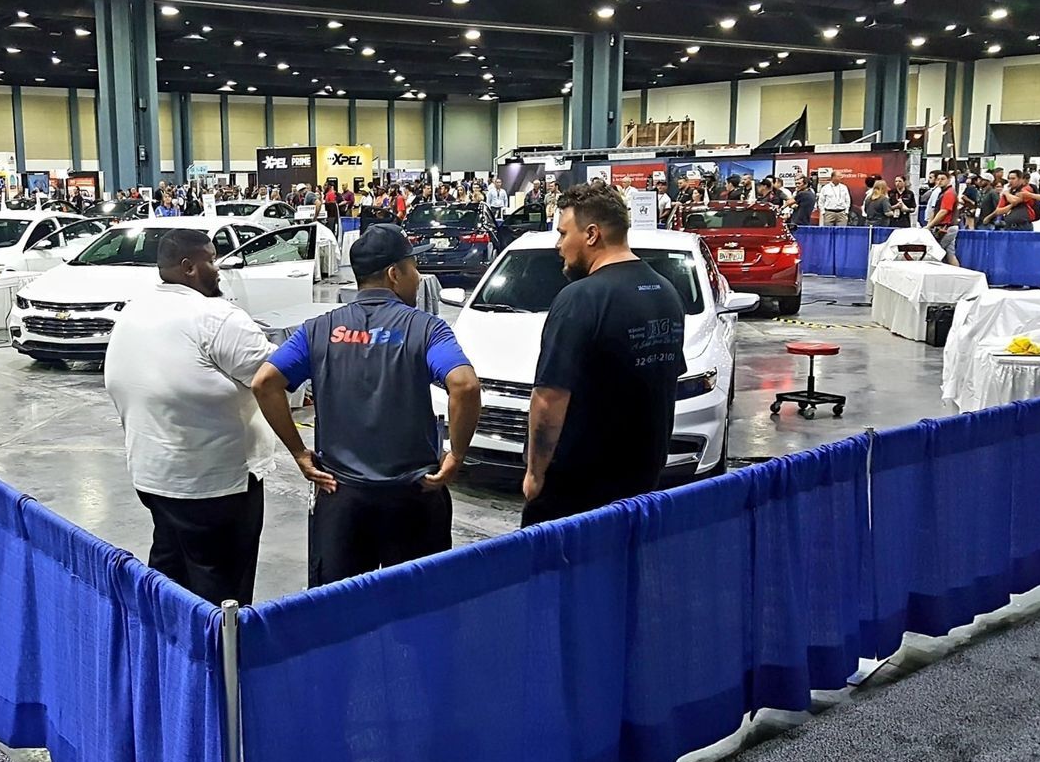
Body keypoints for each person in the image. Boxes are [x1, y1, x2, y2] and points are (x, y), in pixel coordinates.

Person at [251, 224, 481, 587]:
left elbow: (264, 382)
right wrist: (455, 456)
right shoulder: (426, 329)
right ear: (394, 274)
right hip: (412, 495)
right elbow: (464, 386)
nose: (418, 278)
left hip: (341, 496)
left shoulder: (319, 329)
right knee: (417, 609)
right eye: (413, 268)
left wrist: (298, 452)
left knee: (339, 613)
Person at [105, 230, 276, 605]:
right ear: (190, 267)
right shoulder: (215, 316)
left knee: (169, 574)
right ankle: (219, 659)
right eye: (213, 260)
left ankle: (165, 650)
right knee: (220, 585)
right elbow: (273, 377)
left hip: (153, 478)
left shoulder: (134, 310)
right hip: (215, 486)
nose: (219, 270)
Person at [522, 184, 685, 526]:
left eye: (563, 233)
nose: (558, 245)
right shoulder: (667, 292)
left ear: (592, 234)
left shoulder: (580, 298)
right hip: (642, 480)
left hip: (578, 488)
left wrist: (535, 473)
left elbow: (549, 399)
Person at [925, 171, 961, 266]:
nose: (940, 181)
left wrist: (930, 225)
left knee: (936, 253)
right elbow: (935, 210)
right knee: (950, 255)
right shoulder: (942, 193)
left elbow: (943, 212)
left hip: (946, 228)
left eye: (943, 179)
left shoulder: (949, 193)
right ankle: (957, 274)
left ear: (949, 180)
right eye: (938, 179)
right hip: (947, 227)